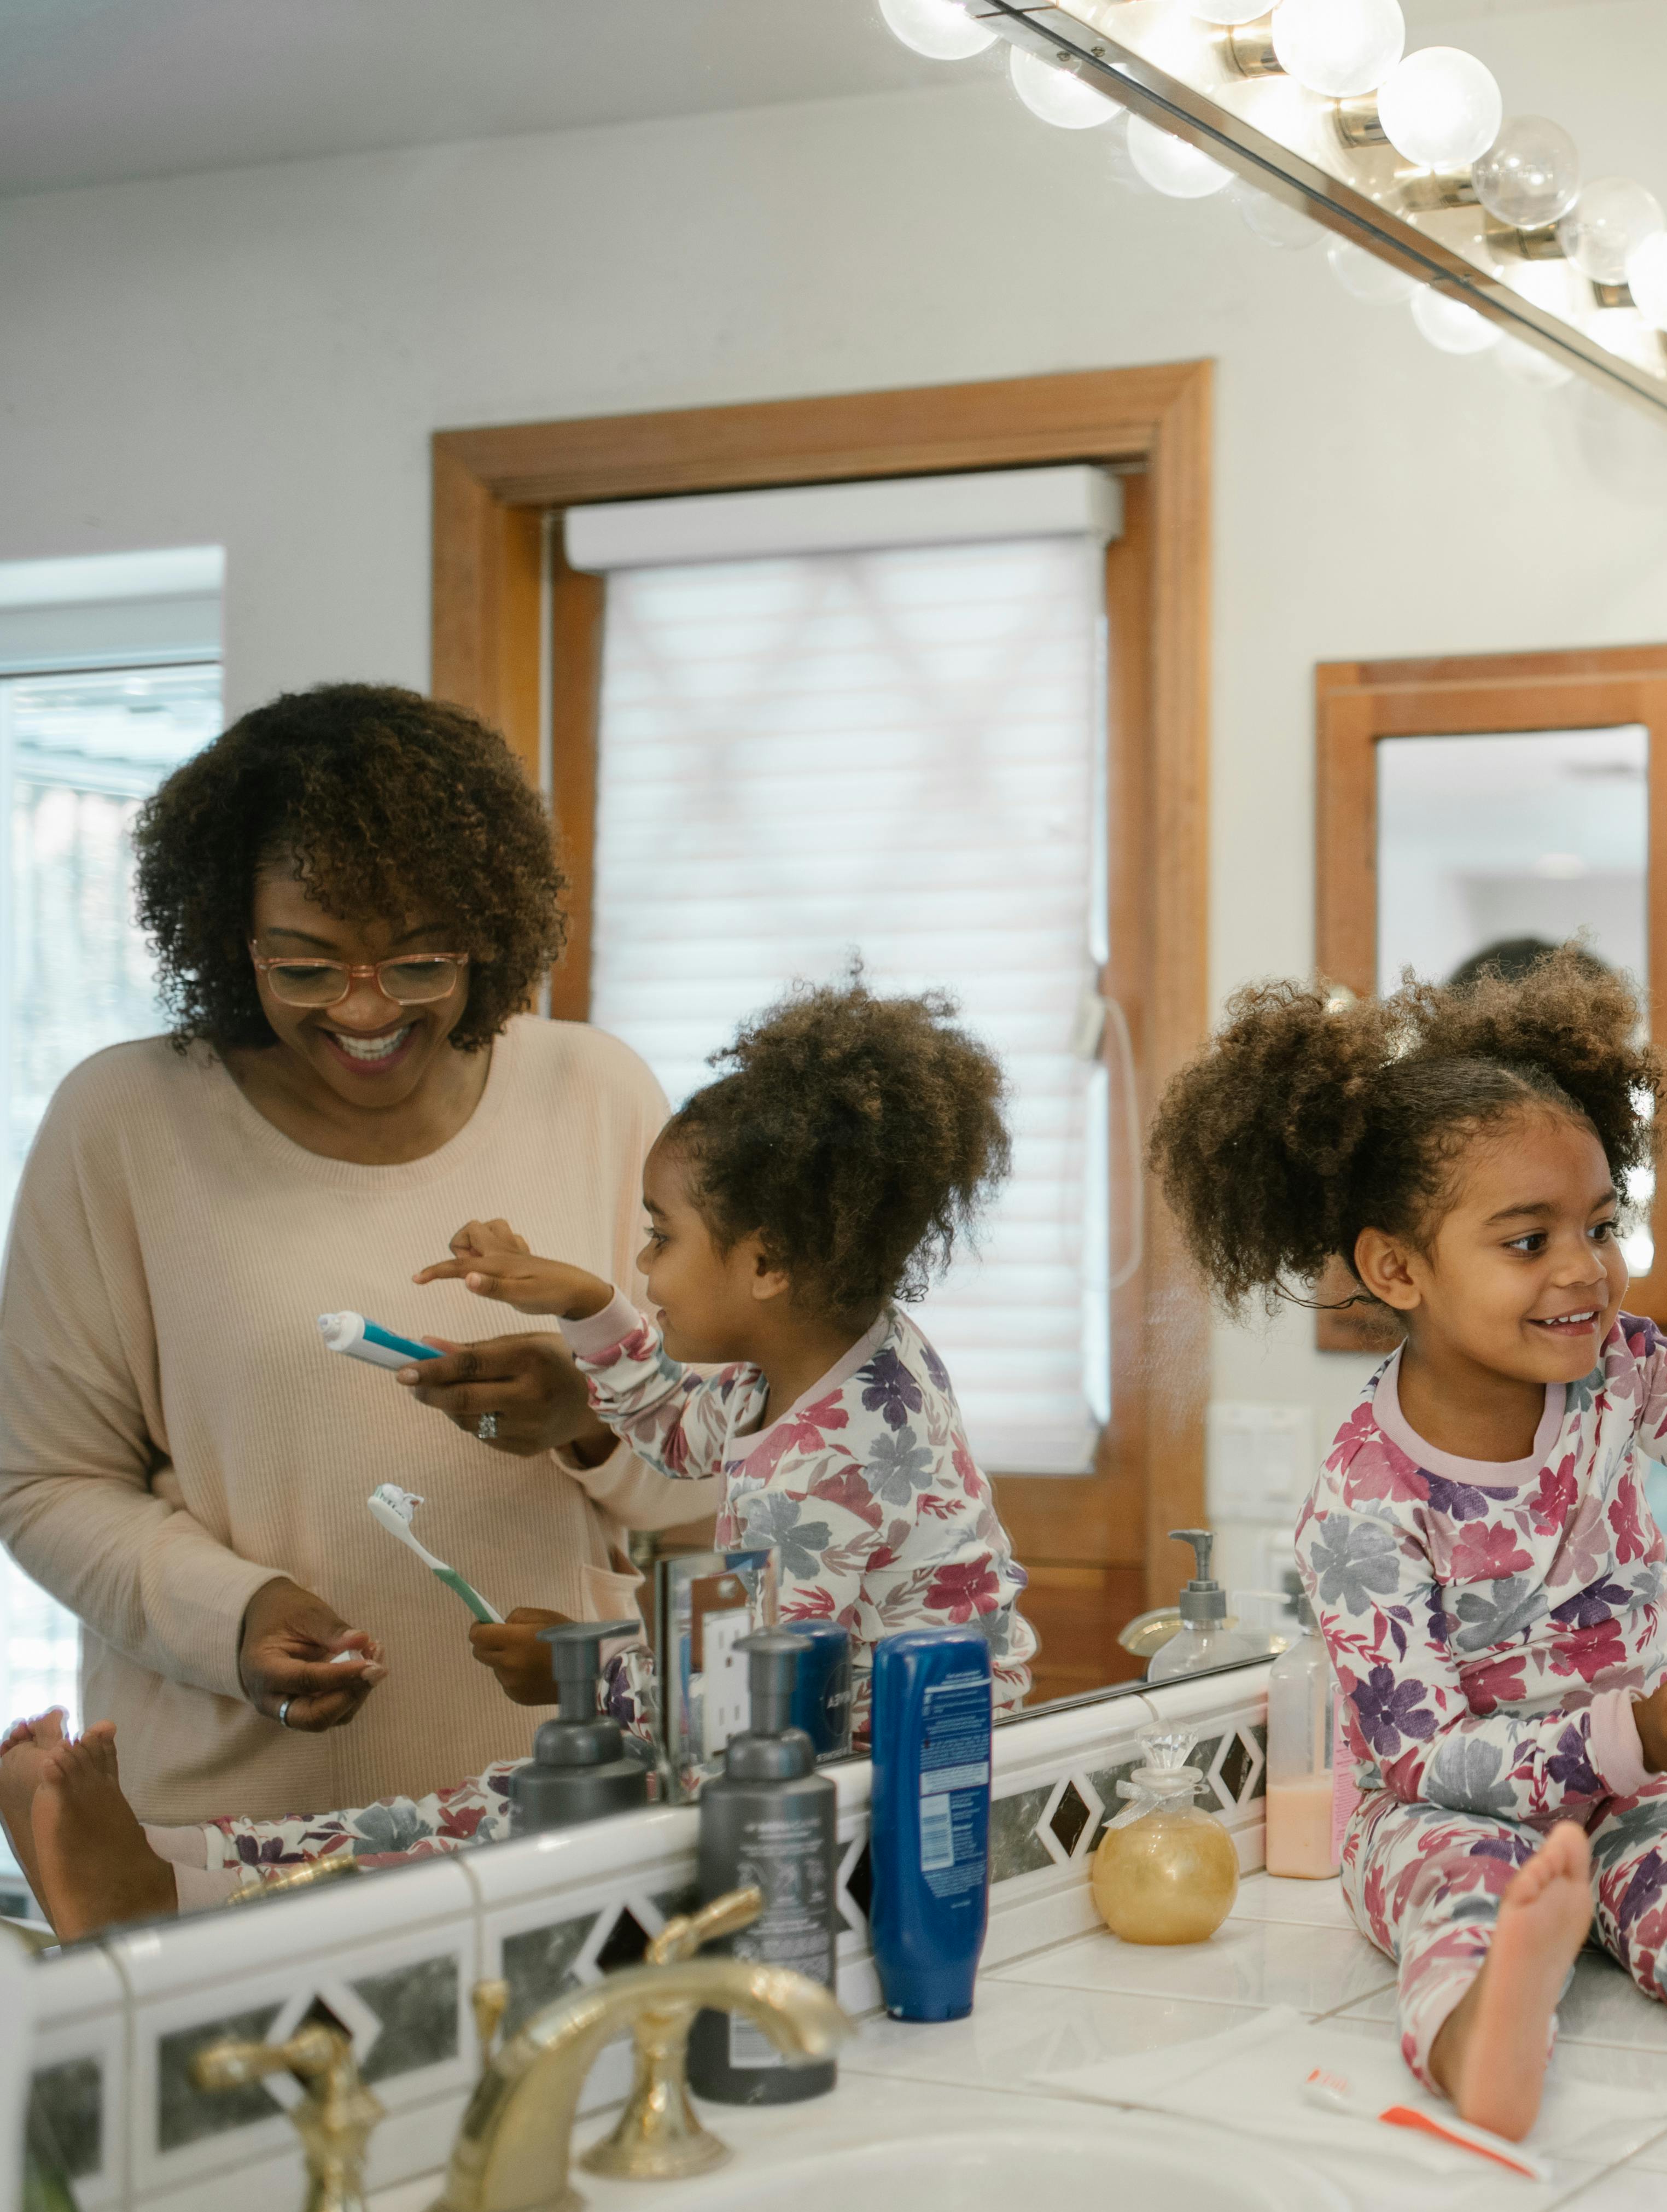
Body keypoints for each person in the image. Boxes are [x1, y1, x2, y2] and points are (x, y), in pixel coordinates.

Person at [0, 979, 1039, 1936]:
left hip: (862, 1800)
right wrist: (587, 1306)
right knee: (498, 1804)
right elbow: (681, 1429)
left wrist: (582, 1671)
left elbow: (754, 1704)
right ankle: (177, 1862)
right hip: (845, 1754)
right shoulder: (855, 1361)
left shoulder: (820, 1477)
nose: (643, 1264)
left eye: (659, 1238)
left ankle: (186, 1886)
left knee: (508, 1814)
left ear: (765, 1261)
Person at [1154, 953, 1667, 2138]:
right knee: (1459, 1890)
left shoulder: (1623, 1368)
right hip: (1450, 1810)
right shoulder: (1362, 1504)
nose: (1583, 1268)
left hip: (1634, 1790)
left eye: (1601, 1223)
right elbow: (1423, 1763)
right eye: (1525, 1239)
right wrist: (1629, 1729)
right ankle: (1484, 2030)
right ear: (1397, 1267)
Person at [0, 683, 712, 1841]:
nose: (367, 1012)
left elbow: (708, 1478)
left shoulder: (597, 1094)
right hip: (233, 1833)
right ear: (233, 939)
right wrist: (230, 1617)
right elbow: (42, 1482)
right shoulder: (123, 1122)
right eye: (310, 968)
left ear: (488, 930)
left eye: (419, 963)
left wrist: (586, 1419)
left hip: (561, 1804)